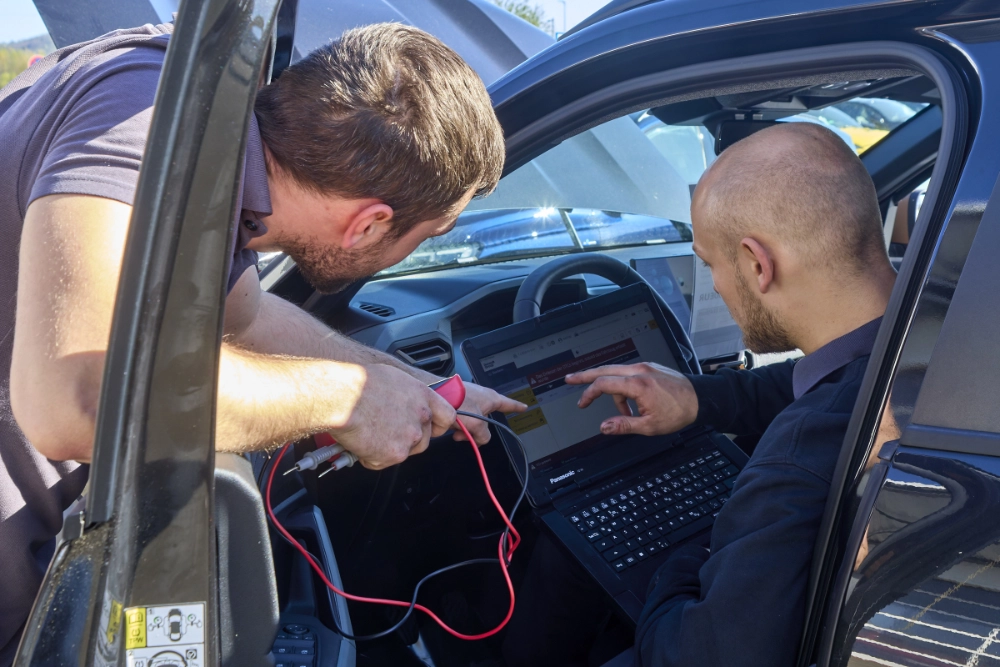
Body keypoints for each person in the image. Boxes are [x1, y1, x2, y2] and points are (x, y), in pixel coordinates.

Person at [0, 22, 525, 663]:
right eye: (430, 235)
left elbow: (243, 319)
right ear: (369, 223)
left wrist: (418, 391)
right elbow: (79, 394)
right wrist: (347, 397)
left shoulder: (215, 145)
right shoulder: (150, 116)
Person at [504, 121, 898, 666]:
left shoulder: (798, 460)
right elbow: (807, 380)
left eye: (711, 263)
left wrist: (690, 549)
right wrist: (699, 397)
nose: (713, 283)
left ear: (758, 264)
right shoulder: (935, 336)